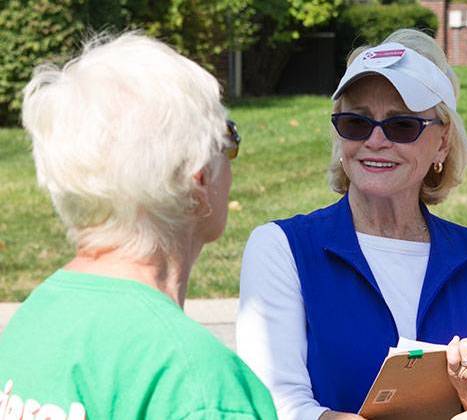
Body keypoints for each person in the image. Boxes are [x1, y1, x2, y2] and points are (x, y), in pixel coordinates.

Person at [236, 29, 467, 420]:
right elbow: (274, 407)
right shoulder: (282, 248)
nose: (375, 140)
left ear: (442, 142)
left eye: (401, 125)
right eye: (356, 123)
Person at [0, 33, 276, 419]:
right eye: (228, 138)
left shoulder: (32, 323)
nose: (232, 159)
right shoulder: (196, 385)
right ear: (197, 177)